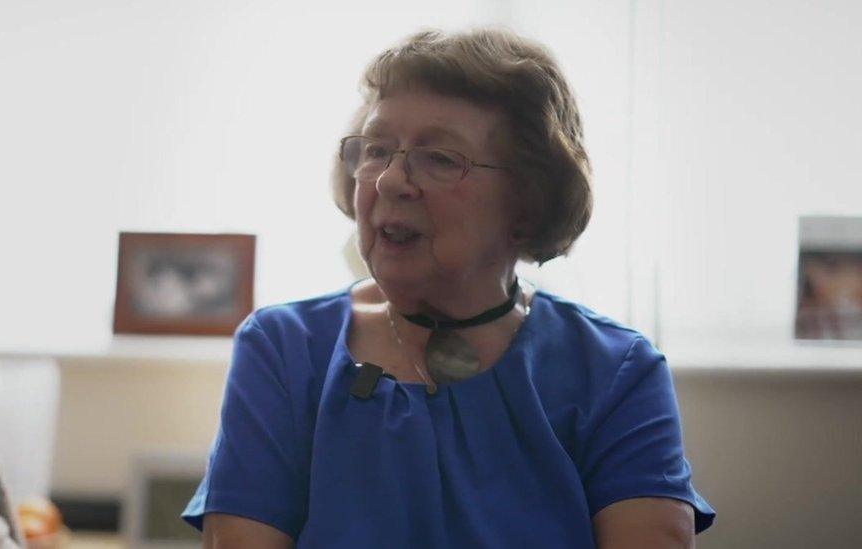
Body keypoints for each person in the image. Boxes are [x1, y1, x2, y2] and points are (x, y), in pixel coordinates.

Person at [182, 27, 715, 548]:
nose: (389, 180)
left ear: (527, 201)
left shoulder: (615, 371)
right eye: (376, 149)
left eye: (440, 158)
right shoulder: (284, 347)